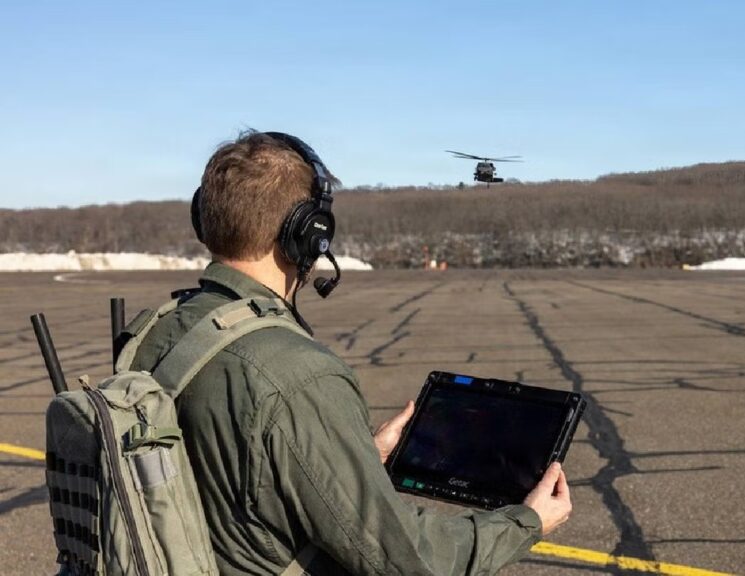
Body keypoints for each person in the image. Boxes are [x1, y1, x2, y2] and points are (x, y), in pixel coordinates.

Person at [130, 131, 572, 575]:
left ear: (203, 217)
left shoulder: (156, 332)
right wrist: (525, 522)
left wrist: (350, 454)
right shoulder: (298, 374)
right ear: (309, 232)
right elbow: (406, 561)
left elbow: (234, 482)